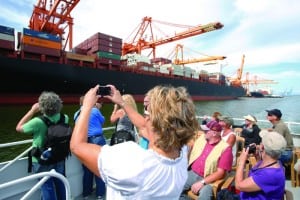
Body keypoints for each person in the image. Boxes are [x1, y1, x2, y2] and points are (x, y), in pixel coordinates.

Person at [70, 84, 199, 199]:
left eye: (146, 110)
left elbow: (77, 146)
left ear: (152, 121)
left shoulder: (134, 163)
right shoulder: (182, 153)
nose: (145, 118)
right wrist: (122, 103)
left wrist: (87, 106)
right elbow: (143, 126)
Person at [16, 91, 69, 200]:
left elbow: (19, 127)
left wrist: (31, 111)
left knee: (47, 186)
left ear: (42, 107)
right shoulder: (65, 117)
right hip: (59, 157)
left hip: (42, 159)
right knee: (60, 182)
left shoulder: (37, 121)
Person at [180, 120, 233, 200]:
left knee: (204, 197)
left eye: (206, 131)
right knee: (175, 189)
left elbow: (220, 173)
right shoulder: (202, 138)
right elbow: (191, 147)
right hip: (192, 172)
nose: (203, 132)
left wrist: (202, 182)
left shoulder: (225, 149)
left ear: (214, 133)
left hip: (209, 180)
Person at [235, 130, 287, 199]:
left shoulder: (269, 175)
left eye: (260, 142)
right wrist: (258, 157)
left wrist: (241, 161)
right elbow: (259, 174)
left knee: (223, 194)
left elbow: (239, 186)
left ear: (262, 147)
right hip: (249, 195)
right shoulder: (276, 163)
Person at [74, 96, 106, 200]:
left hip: (84, 142)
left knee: (87, 168)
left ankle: (86, 194)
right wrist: (98, 109)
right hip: (97, 140)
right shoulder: (95, 110)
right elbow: (103, 121)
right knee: (99, 167)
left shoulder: (77, 114)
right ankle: (100, 194)